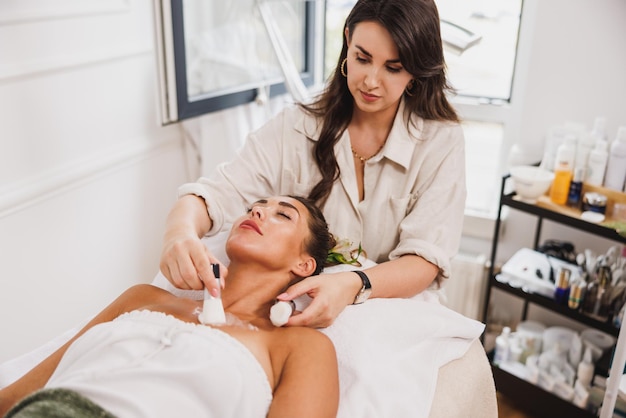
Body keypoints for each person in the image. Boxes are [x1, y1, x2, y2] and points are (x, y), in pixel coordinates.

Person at [160, 0, 465, 328]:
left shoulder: (440, 142)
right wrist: (179, 234)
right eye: (362, 58)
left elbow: (424, 259)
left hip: (385, 312)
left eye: (393, 67)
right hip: (297, 309)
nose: (371, 81)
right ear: (347, 40)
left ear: (417, 69)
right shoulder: (295, 126)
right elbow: (212, 196)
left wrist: (352, 284)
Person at [0, 196, 339, 418]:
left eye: (283, 215)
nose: (258, 211)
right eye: (256, 206)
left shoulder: (299, 347)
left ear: (304, 265)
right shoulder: (142, 299)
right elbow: (14, 397)